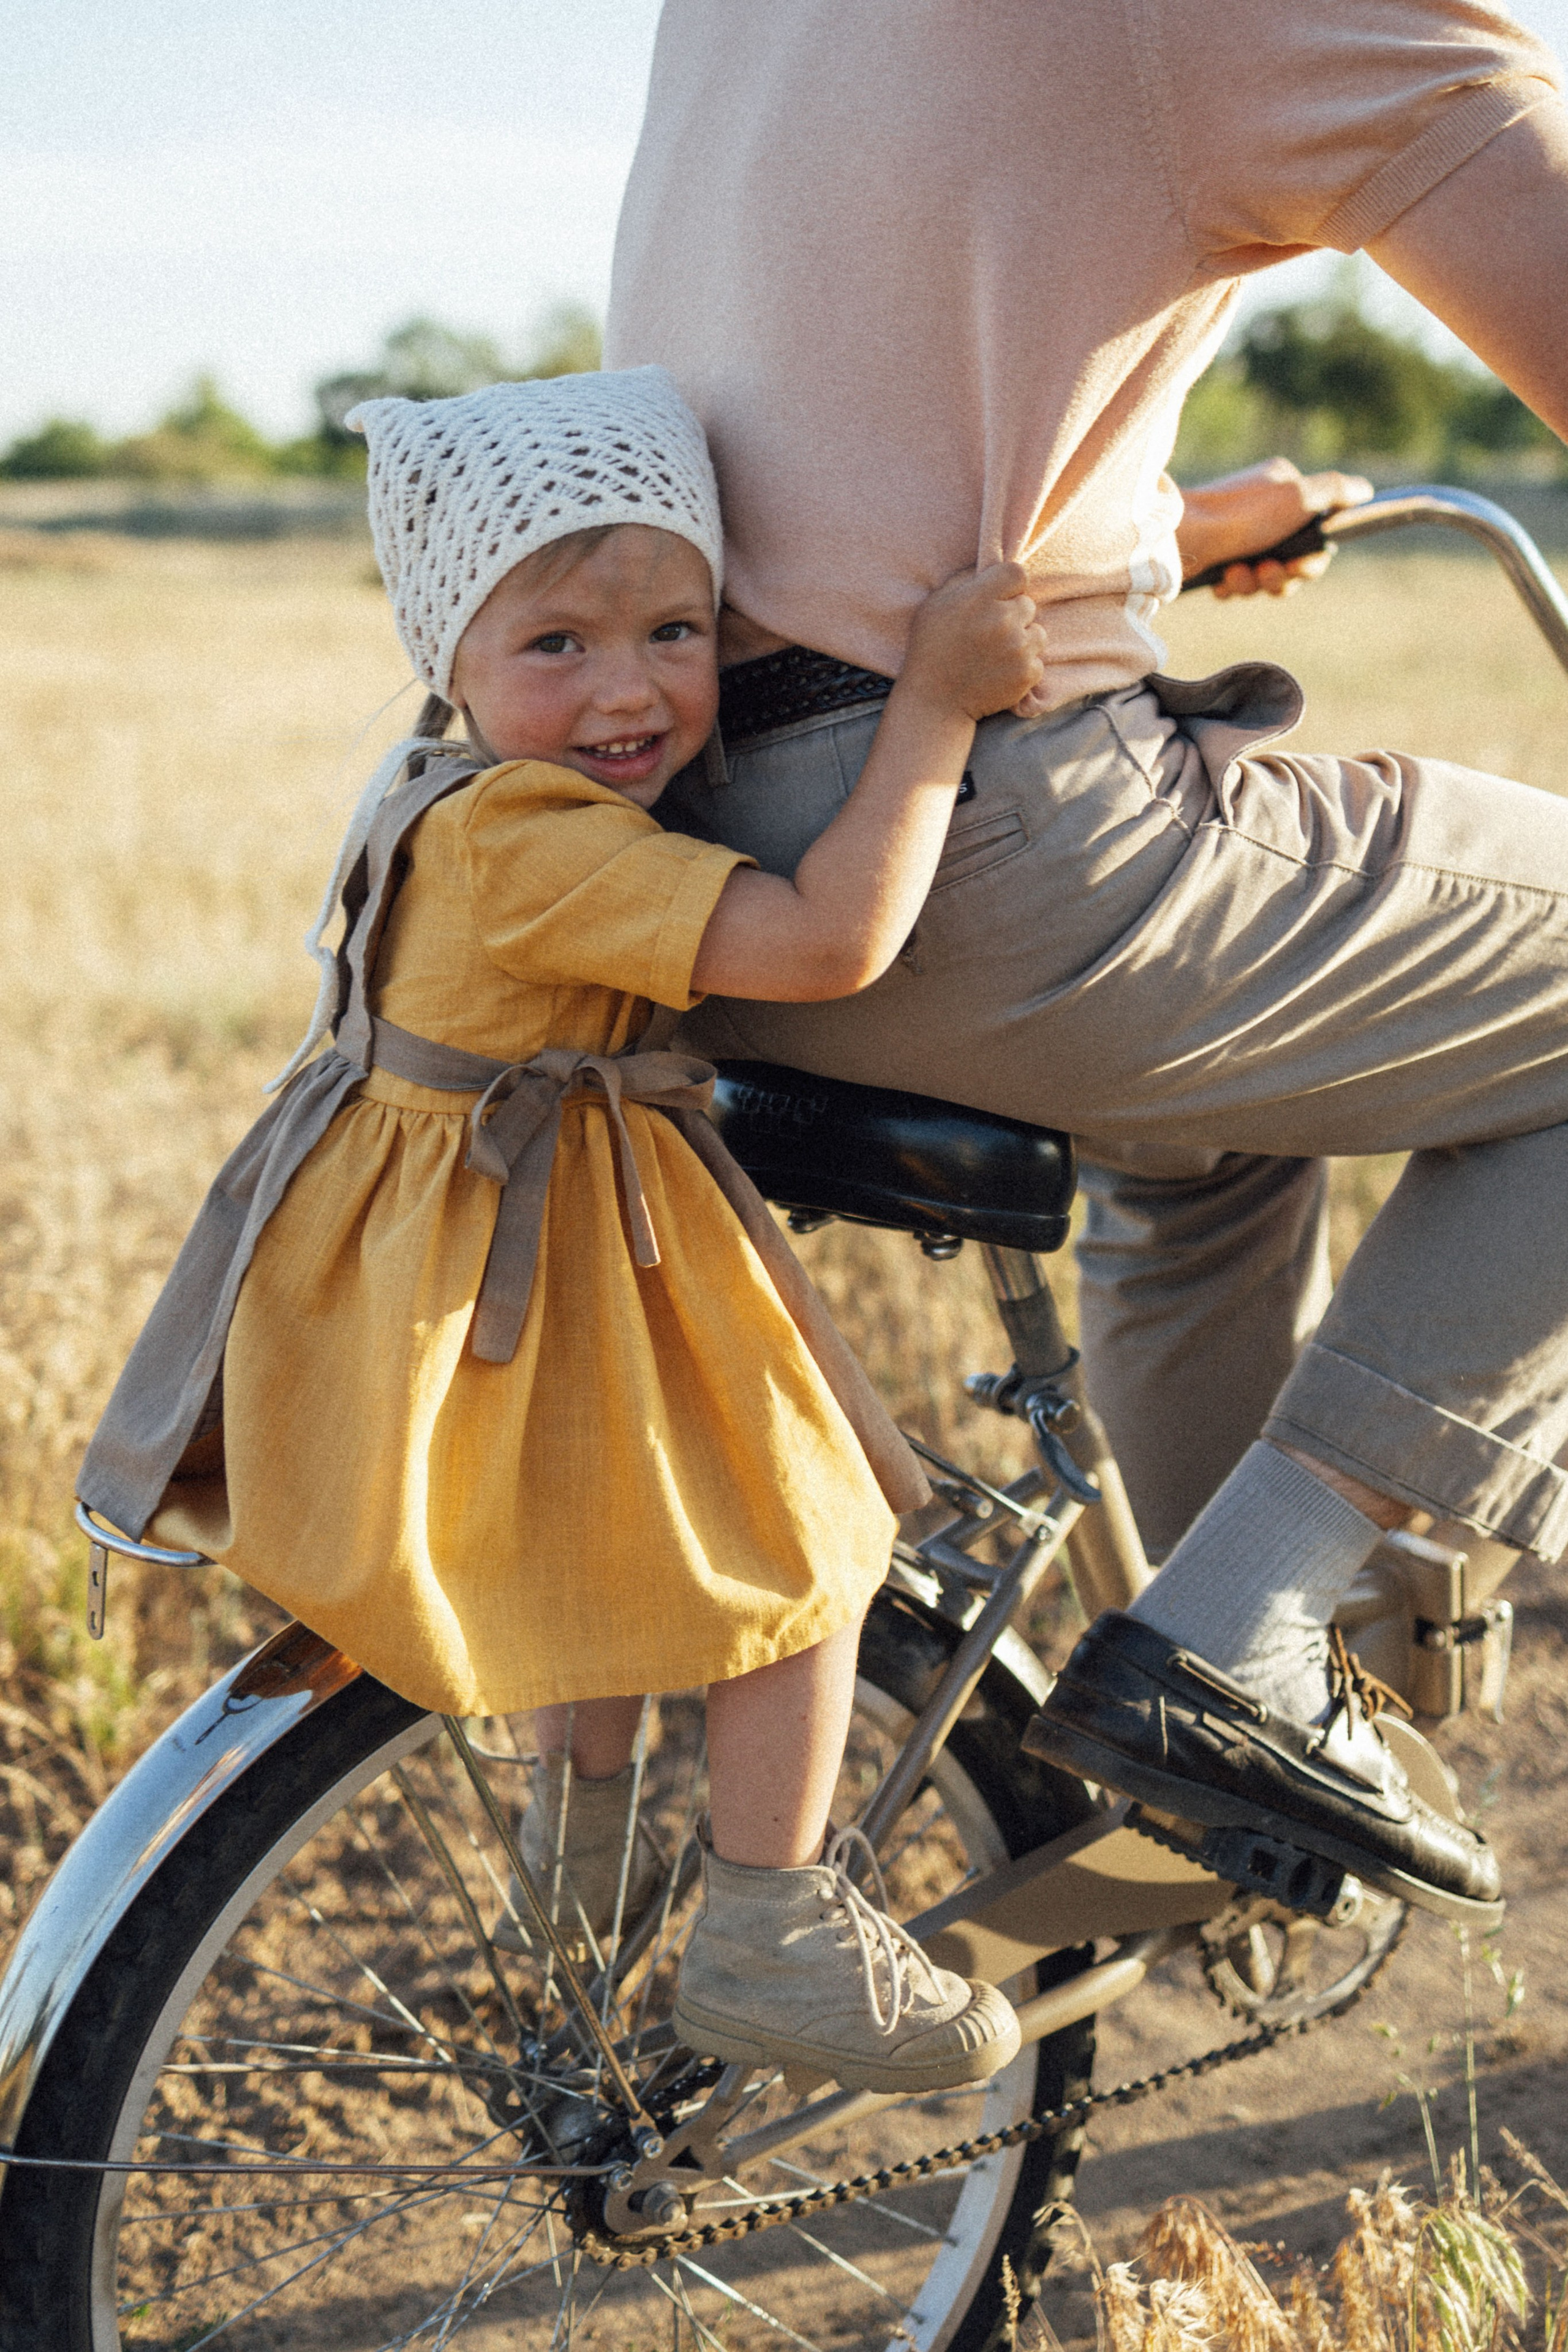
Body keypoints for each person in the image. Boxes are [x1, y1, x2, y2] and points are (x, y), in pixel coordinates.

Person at [603, 0, 1568, 1920]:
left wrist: (1164, 538)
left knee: (1208, 1152)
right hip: (984, 845)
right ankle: (1247, 1637)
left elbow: (834, 414)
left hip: (698, 832)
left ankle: (1201, 1817)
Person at [77, 367, 1044, 2095]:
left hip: (486, 1250)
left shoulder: (441, 789)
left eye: (677, 628)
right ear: (447, 652)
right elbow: (826, 944)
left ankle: (577, 1882)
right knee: (808, 1550)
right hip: (531, 1251)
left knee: (599, 1558)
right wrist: (940, 713)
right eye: (558, 647)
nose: (631, 690)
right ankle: (769, 1921)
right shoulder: (535, 838)